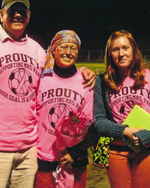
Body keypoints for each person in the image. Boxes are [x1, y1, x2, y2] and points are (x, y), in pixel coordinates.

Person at [0, 0, 95, 187]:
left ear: (28, 17)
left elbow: (59, 76)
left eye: (22, 11)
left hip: (29, 149)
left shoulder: (37, 50)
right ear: (1, 14)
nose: (18, 15)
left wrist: (83, 71)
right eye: (12, 10)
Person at [93, 30, 150, 188]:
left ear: (133, 49)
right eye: (116, 49)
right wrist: (125, 131)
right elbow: (99, 121)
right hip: (116, 151)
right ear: (110, 54)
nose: (121, 53)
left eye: (125, 48)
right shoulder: (102, 81)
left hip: (145, 150)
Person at [35, 30, 96, 188]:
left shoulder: (86, 83)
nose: (68, 52)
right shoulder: (40, 79)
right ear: (53, 49)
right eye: (63, 47)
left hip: (75, 160)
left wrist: (74, 153)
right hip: (44, 159)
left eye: (73, 48)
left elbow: (90, 123)